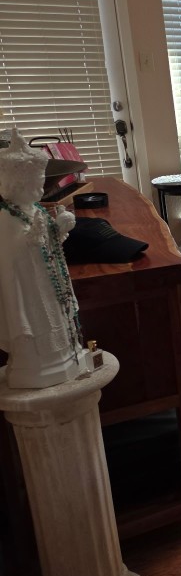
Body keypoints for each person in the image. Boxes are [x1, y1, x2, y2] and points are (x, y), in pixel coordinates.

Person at [0, 130, 83, 388]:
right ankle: (39, 359)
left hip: (47, 283)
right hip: (28, 288)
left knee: (57, 315)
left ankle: (66, 352)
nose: (40, 189)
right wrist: (37, 237)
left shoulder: (35, 210)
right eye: (35, 184)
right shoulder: (6, 219)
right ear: (17, 185)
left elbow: (47, 243)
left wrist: (59, 227)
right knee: (41, 323)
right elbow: (12, 258)